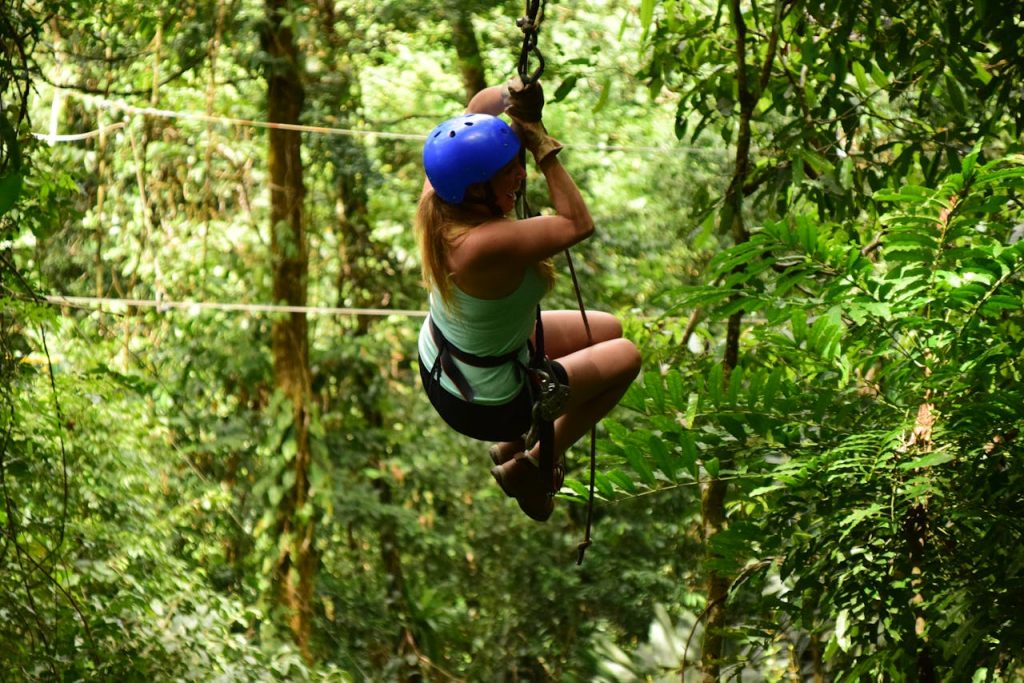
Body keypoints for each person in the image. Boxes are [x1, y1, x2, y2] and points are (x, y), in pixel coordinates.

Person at [415, 77, 641, 521]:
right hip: (483, 401)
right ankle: (534, 462)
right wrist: (540, 145)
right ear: (477, 189)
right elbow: (577, 223)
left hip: (448, 361)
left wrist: (510, 92)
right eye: (507, 172)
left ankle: (510, 446)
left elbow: (479, 107)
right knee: (626, 356)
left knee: (608, 329)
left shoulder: (441, 195)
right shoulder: (482, 244)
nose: (519, 176)